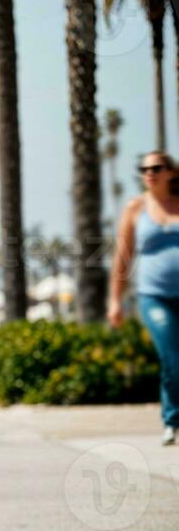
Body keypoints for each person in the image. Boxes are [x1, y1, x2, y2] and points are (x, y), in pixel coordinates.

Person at [108, 150, 179, 445]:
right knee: (172, 356)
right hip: (154, 295)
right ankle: (172, 421)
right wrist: (115, 300)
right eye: (144, 168)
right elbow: (122, 257)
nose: (149, 172)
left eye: (156, 167)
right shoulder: (136, 208)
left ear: (170, 172)